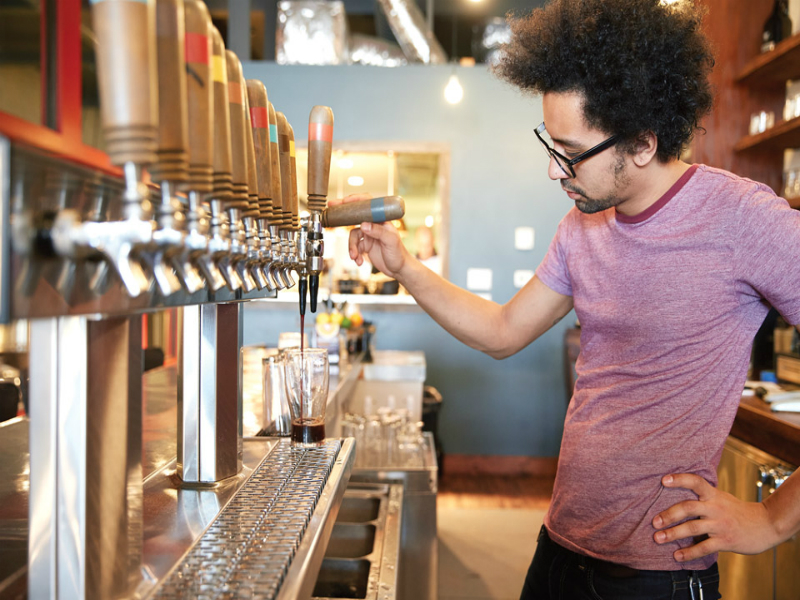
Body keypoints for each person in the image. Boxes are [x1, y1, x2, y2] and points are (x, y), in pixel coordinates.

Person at [333, 0, 800, 598]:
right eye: (549, 144)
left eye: (571, 152)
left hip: (659, 574)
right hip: (559, 552)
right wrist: (403, 266)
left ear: (641, 142)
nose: (556, 172)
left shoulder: (741, 218)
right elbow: (503, 331)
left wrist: (772, 520)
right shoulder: (582, 228)